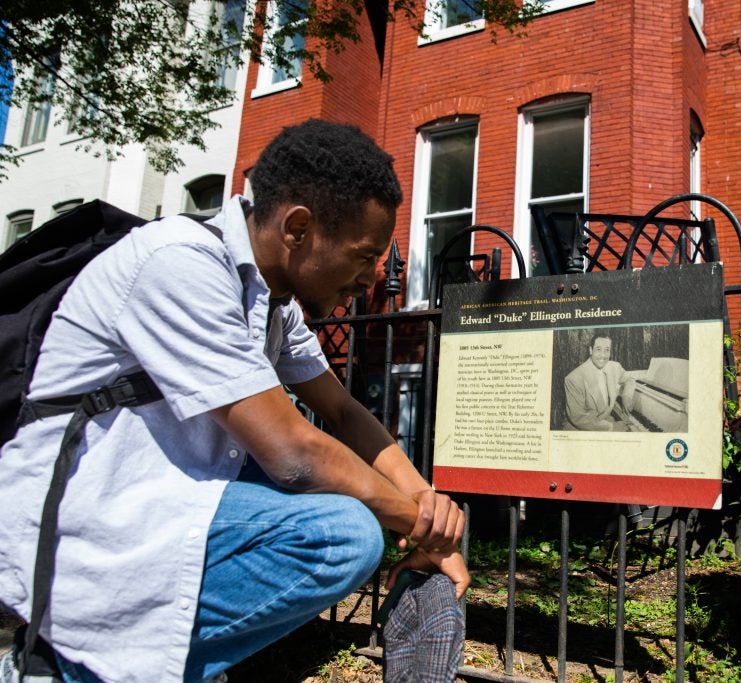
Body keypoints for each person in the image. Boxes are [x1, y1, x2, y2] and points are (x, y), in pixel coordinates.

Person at [0, 119, 468, 683]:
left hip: (170, 499)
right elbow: (292, 452)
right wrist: (424, 527)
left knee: (365, 515)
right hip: (92, 511)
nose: (372, 278)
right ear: (299, 228)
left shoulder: (274, 303)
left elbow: (343, 413)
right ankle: (67, 666)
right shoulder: (178, 262)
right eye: (364, 255)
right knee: (339, 535)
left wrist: (424, 498)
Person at [562, 332, 636, 432]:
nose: (603, 355)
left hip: (603, 420)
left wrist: (627, 396)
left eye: (607, 350)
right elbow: (578, 418)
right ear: (590, 350)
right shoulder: (573, 379)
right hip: (579, 428)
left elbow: (629, 379)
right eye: (598, 349)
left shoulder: (614, 367)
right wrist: (611, 427)